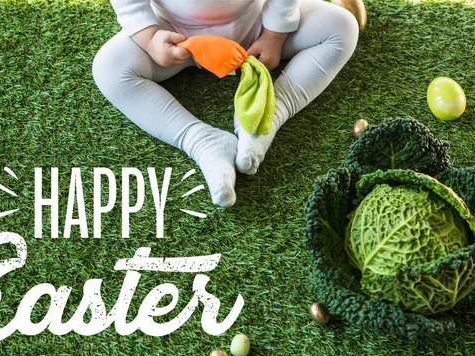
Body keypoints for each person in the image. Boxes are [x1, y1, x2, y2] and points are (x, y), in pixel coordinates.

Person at [93, 0, 359, 207]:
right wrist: (149, 38)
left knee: (342, 26)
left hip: (256, 23)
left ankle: (272, 110)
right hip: (176, 34)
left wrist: (274, 35)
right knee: (109, 68)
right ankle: (200, 140)